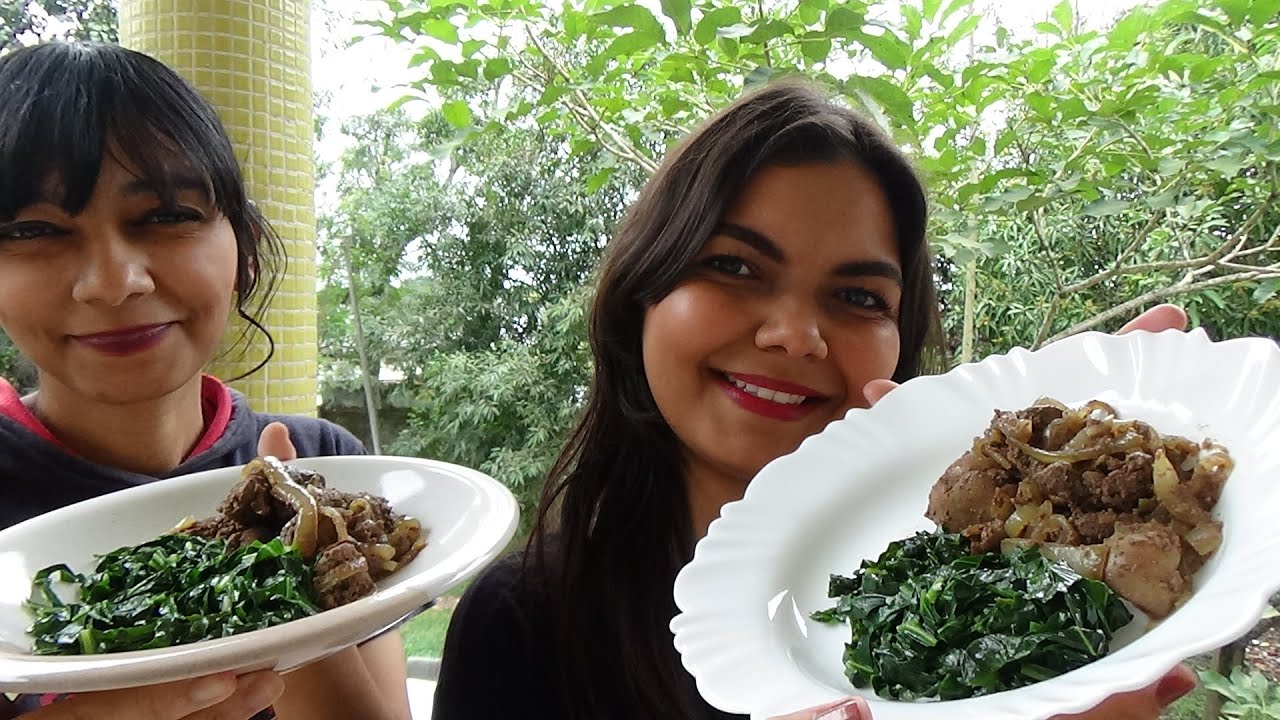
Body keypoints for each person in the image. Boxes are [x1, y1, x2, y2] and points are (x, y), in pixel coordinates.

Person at [431, 79, 1198, 720]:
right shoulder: (526, 623)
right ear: (643, 298)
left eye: (859, 296)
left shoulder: (987, 588)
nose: (798, 336)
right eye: (734, 267)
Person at [0, 42, 411, 720]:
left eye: (165, 216)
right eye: (34, 229)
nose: (114, 282)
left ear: (243, 249)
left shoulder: (329, 465)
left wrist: (297, 562)